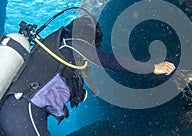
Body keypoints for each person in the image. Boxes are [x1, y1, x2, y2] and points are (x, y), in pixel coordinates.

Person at [0, 15, 175, 136]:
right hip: (24, 113)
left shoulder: (55, 48)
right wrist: (152, 67)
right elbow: (111, 62)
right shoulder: (72, 43)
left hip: (12, 112)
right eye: (93, 45)